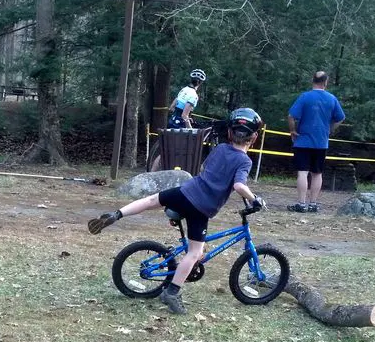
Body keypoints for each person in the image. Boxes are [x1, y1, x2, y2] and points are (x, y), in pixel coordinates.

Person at [87, 108, 267, 315]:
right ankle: (172, 292)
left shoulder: (221, 149)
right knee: (195, 252)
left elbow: (204, 169)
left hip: (185, 191)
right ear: (254, 137)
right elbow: (238, 186)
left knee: (151, 200)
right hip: (201, 208)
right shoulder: (244, 161)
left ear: (229, 133)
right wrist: (255, 199)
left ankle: (116, 214)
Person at [286, 71, 346, 213]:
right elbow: (341, 117)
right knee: (317, 173)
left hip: (303, 141)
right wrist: (330, 129)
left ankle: (301, 203)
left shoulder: (305, 97)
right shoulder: (332, 99)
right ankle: (313, 204)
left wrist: (293, 130)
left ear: (312, 80)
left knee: (302, 172)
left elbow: (291, 116)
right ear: (326, 82)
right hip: (321, 142)